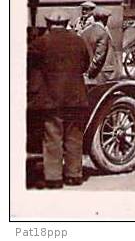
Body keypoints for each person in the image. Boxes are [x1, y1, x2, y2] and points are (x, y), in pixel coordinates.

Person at [27, 12, 91, 189]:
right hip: (76, 97)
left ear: (48, 23)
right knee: (74, 137)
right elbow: (86, 63)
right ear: (66, 23)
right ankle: (74, 175)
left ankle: (54, 178)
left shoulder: (41, 42)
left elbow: (29, 64)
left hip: (51, 98)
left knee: (53, 137)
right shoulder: (79, 40)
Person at [81, 8, 112, 82]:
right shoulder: (103, 33)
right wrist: (90, 72)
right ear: (104, 20)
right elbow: (99, 57)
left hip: (85, 71)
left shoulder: (85, 31)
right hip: (98, 74)